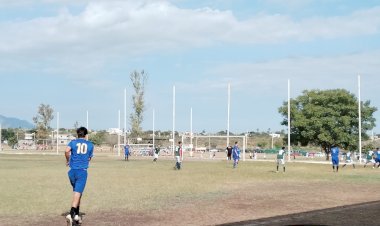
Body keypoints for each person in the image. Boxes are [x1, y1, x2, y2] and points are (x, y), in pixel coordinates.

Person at [65, 127, 94, 225]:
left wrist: (68, 160)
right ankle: (71, 213)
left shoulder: (72, 143)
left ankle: (77, 215)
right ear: (86, 135)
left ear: (77, 134)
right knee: (78, 193)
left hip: (72, 172)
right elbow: (89, 158)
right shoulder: (90, 145)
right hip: (82, 172)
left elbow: (66, 150)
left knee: (78, 193)